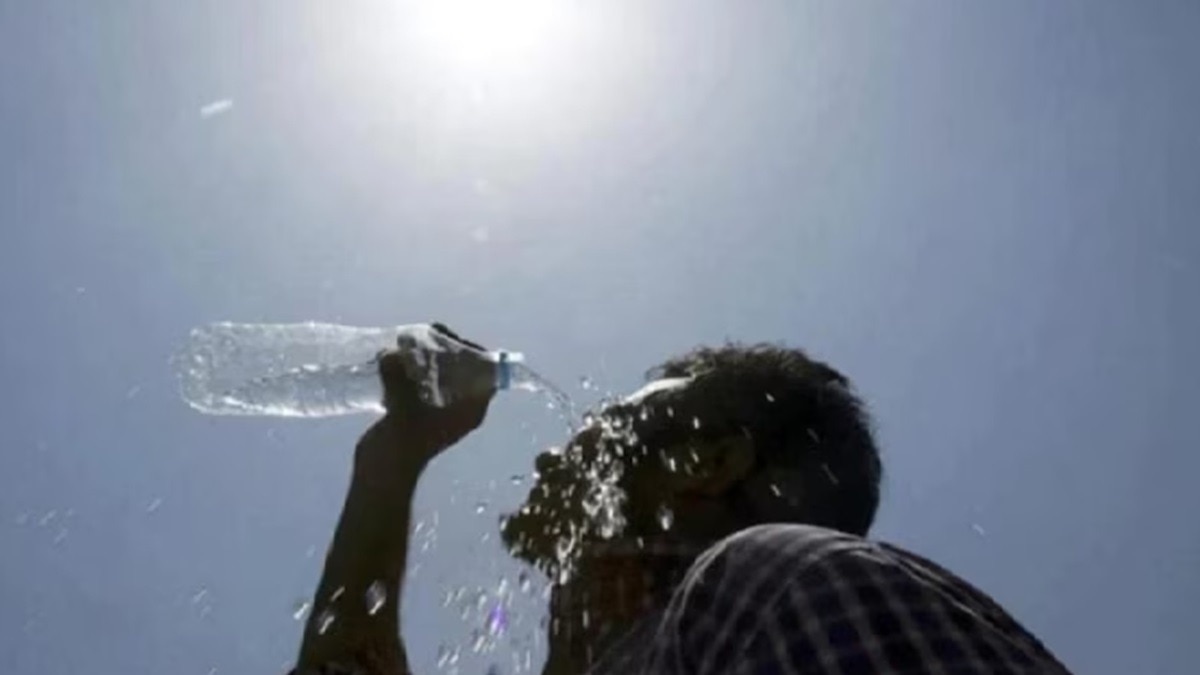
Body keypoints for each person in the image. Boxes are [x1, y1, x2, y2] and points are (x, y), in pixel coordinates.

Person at [292, 326, 1070, 674]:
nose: (551, 454)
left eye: (608, 421)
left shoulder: (775, 585)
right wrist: (391, 457)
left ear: (709, 462)